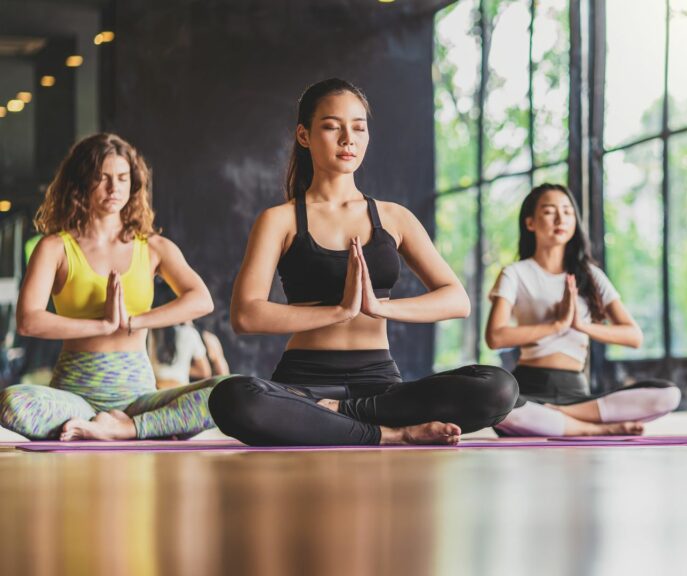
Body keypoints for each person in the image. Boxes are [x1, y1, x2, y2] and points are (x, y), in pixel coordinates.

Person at [208, 79, 517, 446]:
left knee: (498, 388)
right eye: (331, 126)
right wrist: (339, 311)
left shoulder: (393, 217)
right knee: (232, 398)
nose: (347, 139)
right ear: (304, 136)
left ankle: (342, 417)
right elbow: (246, 315)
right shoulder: (280, 220)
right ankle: (387, 434)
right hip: (303, 382)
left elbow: (457, 299)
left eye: (358, 127)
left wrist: (379, 307)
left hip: (380, 388)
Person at [1, 133, 223, 441]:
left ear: (133, 184)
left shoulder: (154, 247)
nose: (113, 188)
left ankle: (125, 428)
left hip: (138, 400)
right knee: (12, 403)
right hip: (74, 400)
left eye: (122, 178)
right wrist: (102, 325)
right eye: (101, 178)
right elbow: (28, 320)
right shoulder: (55, 248)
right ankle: (118, 427)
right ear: (80, 183)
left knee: (227, 392)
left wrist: (132, 321)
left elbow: (201, 300)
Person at [484, 184, 680, 436]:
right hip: (528, 388)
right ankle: (592, 429)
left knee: (669, 395)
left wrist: (581, 325)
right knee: (498, 404)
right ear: (530, 223)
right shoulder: (515, 273)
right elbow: (495, 337)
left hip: (578, 394)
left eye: (567, 212)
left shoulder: (591, 275)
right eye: (549, 211)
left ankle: (561, 416)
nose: (560, 218)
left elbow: (633, 336)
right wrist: (556, 325)